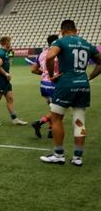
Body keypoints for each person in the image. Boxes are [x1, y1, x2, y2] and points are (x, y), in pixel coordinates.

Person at [40, 20, 101, 167]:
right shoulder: (86, 44)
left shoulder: (61, 42)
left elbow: (49, 57)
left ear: (62, 31)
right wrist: (90, 77)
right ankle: (78, 157)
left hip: (66, 83)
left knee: (56, 118)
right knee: (79, 119)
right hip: (83, 85)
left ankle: (58, 155)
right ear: (76, 30)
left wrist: (51, 74)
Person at [0, 36, 27, 128]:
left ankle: (15, 119)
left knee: (10, 99)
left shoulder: (6, 52)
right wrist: (6, 74)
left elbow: (11, 57)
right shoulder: (0, 52)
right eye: (9, 42)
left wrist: (11, 50)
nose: (10, 43)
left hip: (6, 80)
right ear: (5, 42)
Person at [30, 35, 59, 139]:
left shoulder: (41, 54)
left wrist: (44, 73)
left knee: (52, 108)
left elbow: (33, 69)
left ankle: (51, 131)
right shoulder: (58, 52)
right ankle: (39, 123)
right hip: (54, 85)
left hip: (43, 85)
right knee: (58, 109)